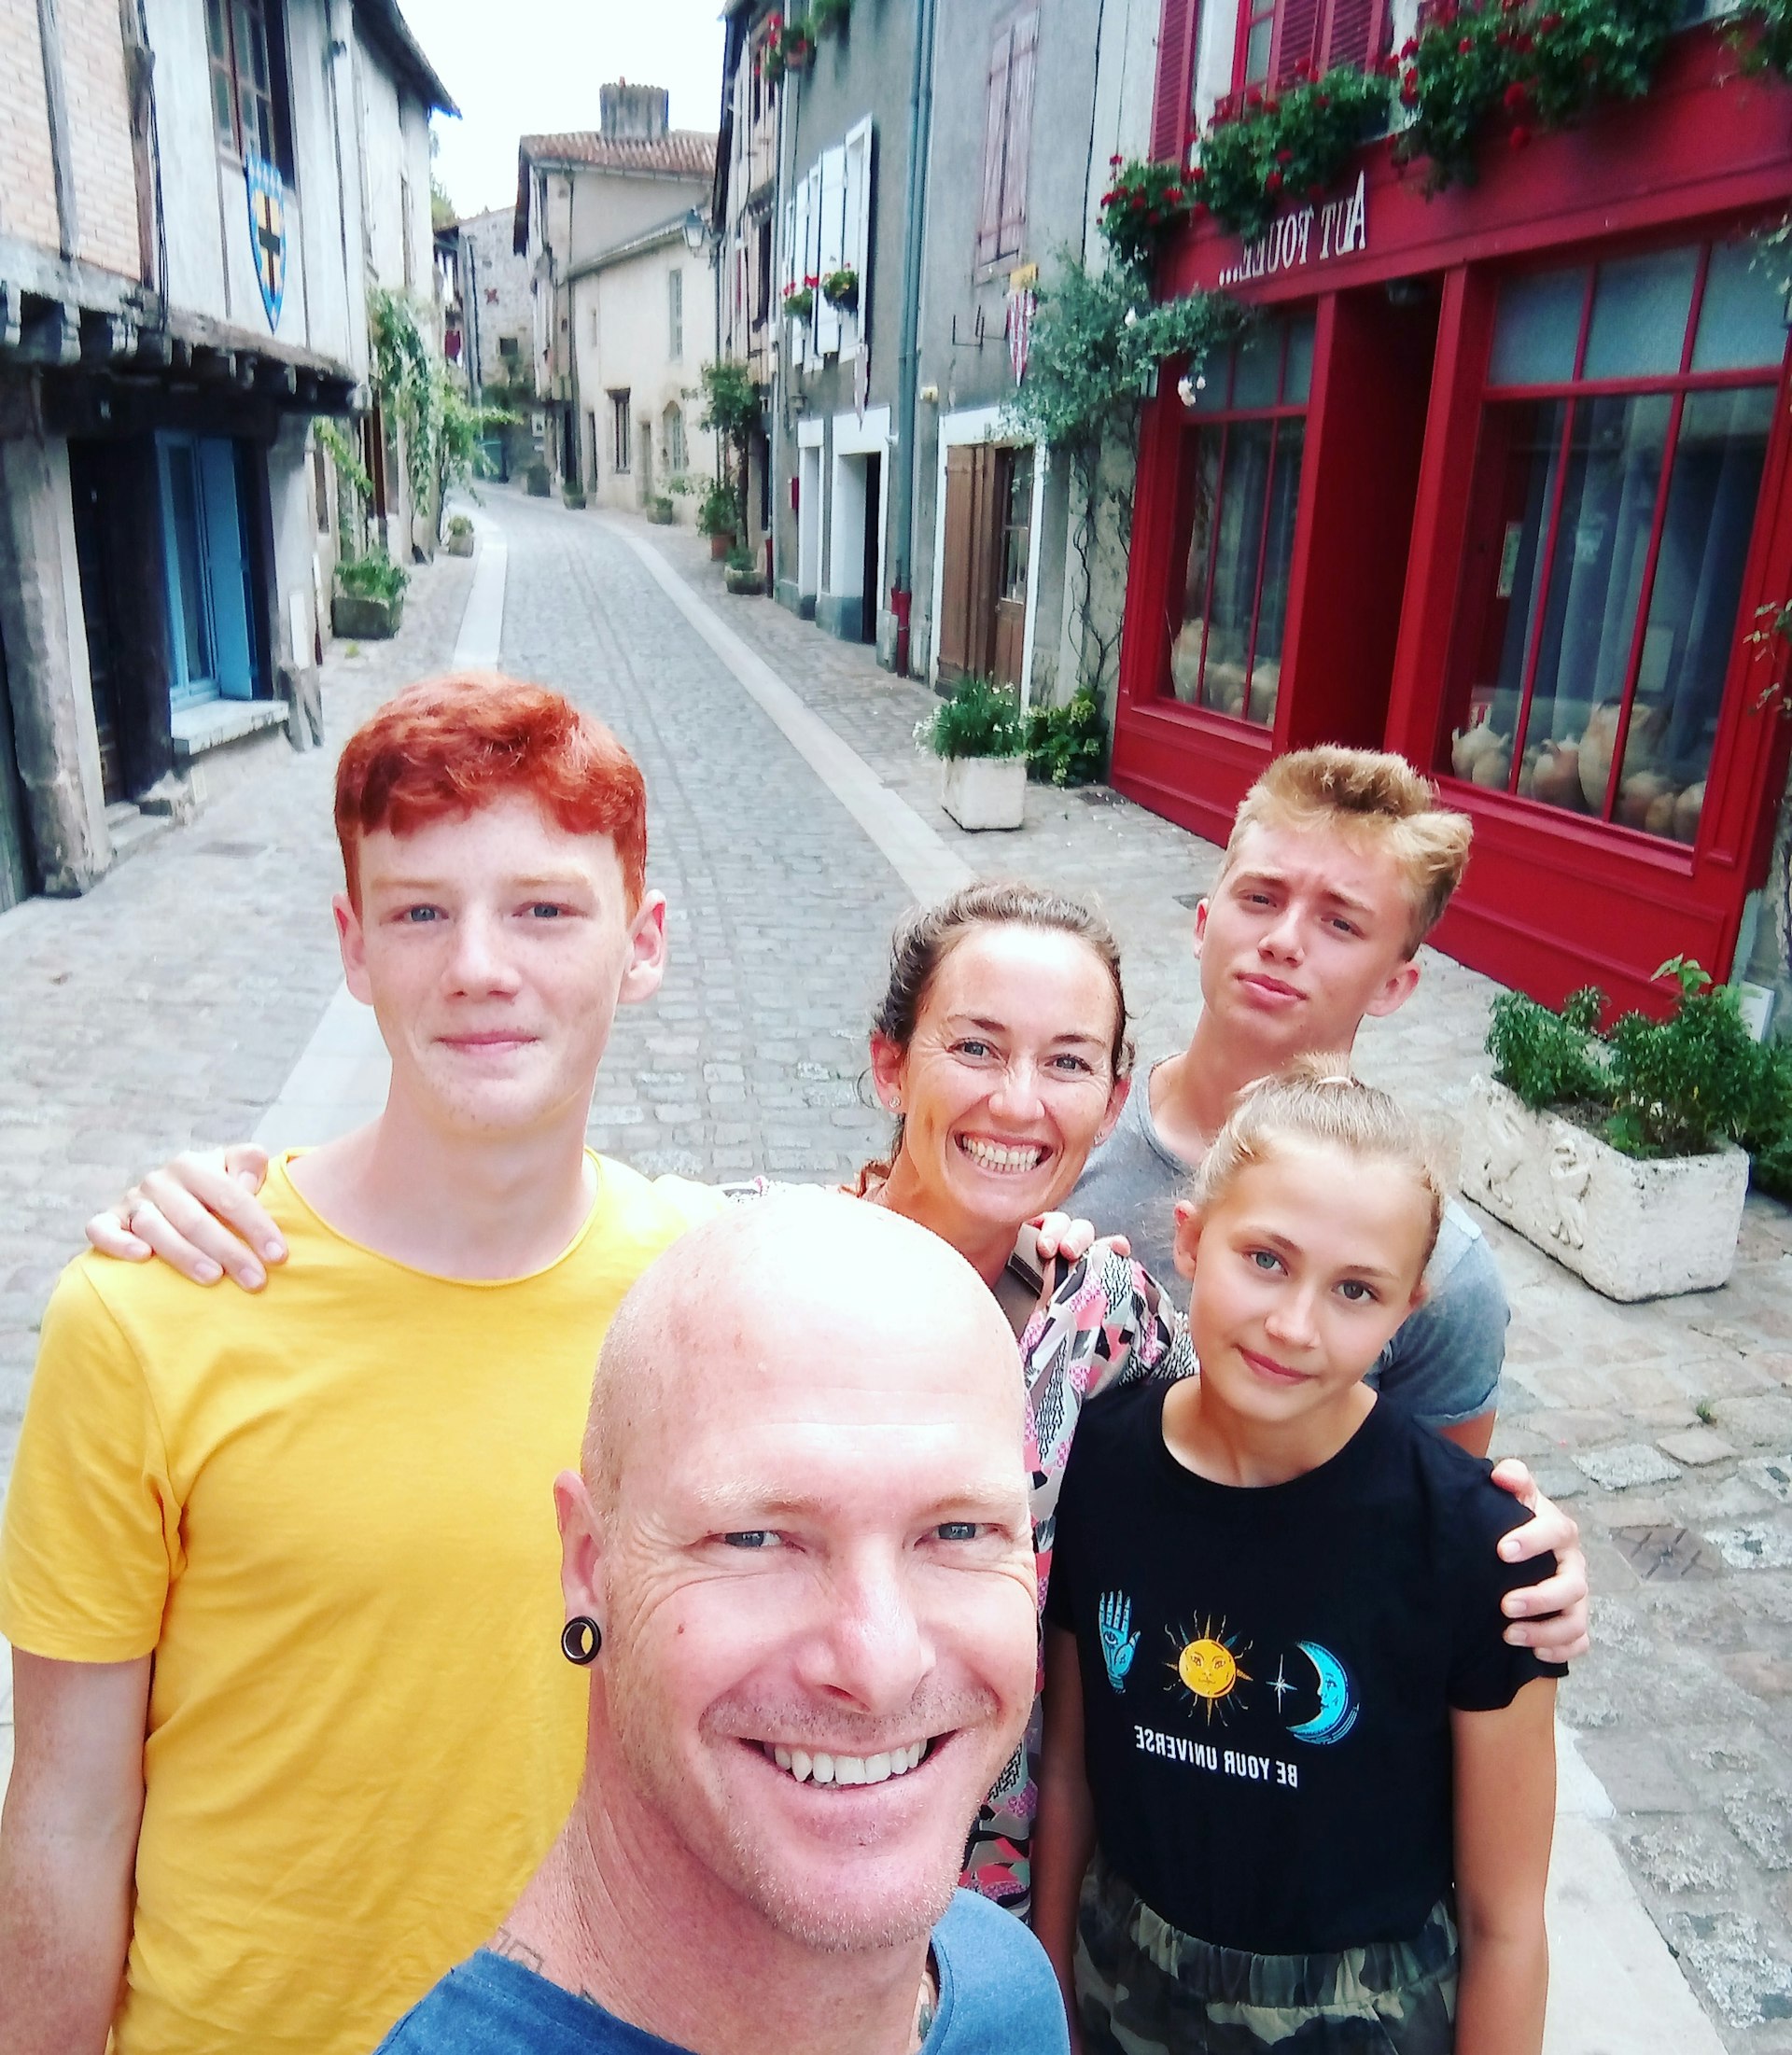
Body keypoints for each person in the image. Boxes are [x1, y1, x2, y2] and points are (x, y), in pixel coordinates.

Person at [83, 884, 1585, 1922]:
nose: (1019, 1099)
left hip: (1010, 1895)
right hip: (755, 1848)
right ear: (892, 1060)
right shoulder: (727, 1260)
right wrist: (238, 1192)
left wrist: (1504, 1547)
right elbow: (499, 1263)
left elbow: (1270, 1455)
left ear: (1115, 1094)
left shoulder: (1114, 1314)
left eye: (1068, 1061)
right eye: (975, 1047)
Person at [0, 677, 730, 2055]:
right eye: (418, 910)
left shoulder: (711, 1300)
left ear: (642, 943)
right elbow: (64, 1809)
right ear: (353, 945)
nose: (477, 966)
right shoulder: (154, 1308)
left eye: (543, 908)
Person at [375, 1191, 1070, 2055]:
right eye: (756, 1538)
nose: (879, 1662)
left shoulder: (1007, 1989)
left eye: (959, 1532)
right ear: (590, 1565)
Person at [1035, 1064, 1562, 2055]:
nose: (1293, 1325)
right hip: (1122, 1986)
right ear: (1190, 1239)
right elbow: (1072, 1772)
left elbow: (1506, 1921)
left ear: (1406, 1311)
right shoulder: (1098, 1464)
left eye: (1355, 1290)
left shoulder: (1478, 1552)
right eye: (1266, 1259)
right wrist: (1052, 1985)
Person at [1072, 746, 1512, 1459]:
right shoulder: (1064, 1136)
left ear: (1393, 986)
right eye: (1261, 899)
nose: (1281, 942)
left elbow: (1431, 1519)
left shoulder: (1441, 1268)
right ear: (1202, 924)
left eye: (1339, 923)